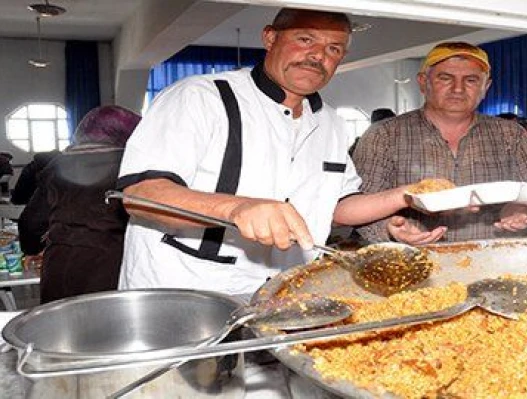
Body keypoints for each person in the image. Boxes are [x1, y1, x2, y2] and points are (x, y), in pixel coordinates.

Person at [116, 8, 422, 298]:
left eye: (334, 49)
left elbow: (339, 206)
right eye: (305, 40)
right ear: (270, 38)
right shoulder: (200, 97)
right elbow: (142, 194)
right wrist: (237, 209)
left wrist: (406, 196)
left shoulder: (331, 122)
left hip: (284, 291)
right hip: (186, 289)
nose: (318, 55)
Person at [352, 41, 527, 243]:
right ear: (423, 82)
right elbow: (358, 206)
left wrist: (521, 210)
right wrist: (390, 228)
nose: (458, 89)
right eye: (445, 78)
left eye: (471, 80)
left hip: (492, 262)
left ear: (486, 87)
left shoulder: (512, 135)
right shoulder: (384, 135)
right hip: (413, 264)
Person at [18, 105, 141, 303]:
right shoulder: (134, 165)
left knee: (62, 328)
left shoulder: (58, 165)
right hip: (114, 266)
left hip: (60, 264)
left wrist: (31, 249)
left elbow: (31, 222)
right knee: (112, 329)